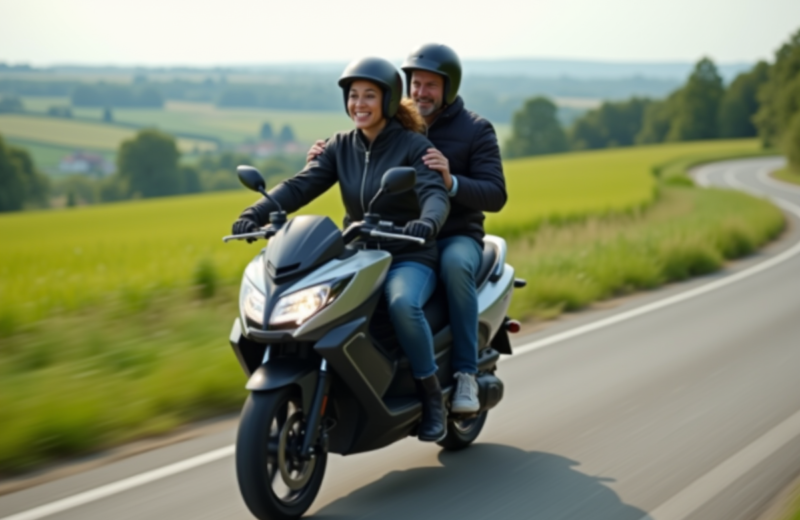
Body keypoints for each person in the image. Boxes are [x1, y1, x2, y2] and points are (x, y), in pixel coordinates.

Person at [232, 57, 450, 442]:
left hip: (409, 253)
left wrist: (427, 221)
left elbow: (434, 194)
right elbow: (300, 185)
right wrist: (257, 211)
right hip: (360, 252)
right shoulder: (340, 146)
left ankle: (430, 394)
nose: (359, 104)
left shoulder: (413, 146)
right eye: (353, 96)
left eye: (369, 95)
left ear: (388, 99)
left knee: (401, 303)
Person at [307, 44, 507, 414]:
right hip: (390, 234)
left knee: (454, 267)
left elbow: (496, 194)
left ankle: (463, 373)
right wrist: (325, 154)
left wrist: (451, 182)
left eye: (430, 85)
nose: (420, 93)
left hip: (452, 233)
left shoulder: (475, 130)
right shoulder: (396, 120)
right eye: (415, 84)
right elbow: (361, 143)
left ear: (449, 89)